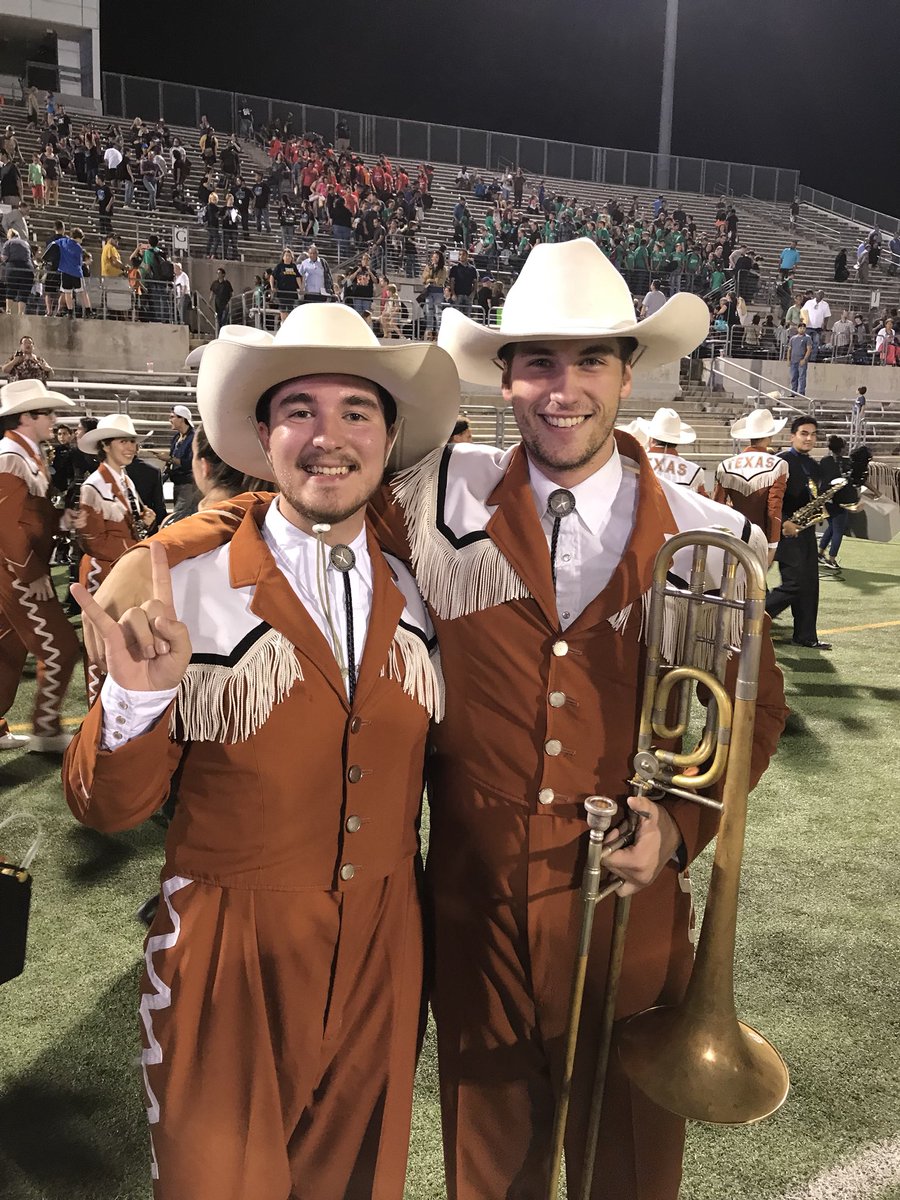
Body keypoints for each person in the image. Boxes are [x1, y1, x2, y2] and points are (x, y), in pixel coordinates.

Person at [89, 240, 787, 1200]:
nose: (563, 388)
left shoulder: (713, 535)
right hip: (465, 902)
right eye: (538, 359)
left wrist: (678, 826)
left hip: (632, 904)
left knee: (626, 1165)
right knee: (486, 1165)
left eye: (590, 361)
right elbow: (305, 504)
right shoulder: (437, 497)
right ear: (505, 377)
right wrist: (169, 552)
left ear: (631, 370)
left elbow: (755, 716)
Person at [63, 301, 459, 1200]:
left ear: (390, 435)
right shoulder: (182, 581)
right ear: (262, 435)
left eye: (356, 411)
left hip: (387, 943)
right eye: (299, 412)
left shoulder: (424, 583)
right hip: (225, 948)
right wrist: (137, 696)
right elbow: (105, 805)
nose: (329, 437)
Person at [0, 379, 82, 753]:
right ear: (26, 417)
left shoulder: (26, 454)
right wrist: (31, 573)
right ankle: (46, 731)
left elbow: (34, 515)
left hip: (14, 569)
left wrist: (63, 519)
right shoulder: (11, 456)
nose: (54, 419)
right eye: (47, 413)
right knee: (61, 648)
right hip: (16, 571)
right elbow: (6, 522)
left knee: (8, 650)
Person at [77, 413, 158, 701]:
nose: (131, 448)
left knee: (124, 642)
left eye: (133, 442)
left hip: (120, 570)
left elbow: (132, 520)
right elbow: (91, 541)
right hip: (102, 574)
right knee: (102, 647)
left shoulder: (124, 480)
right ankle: (98, 710)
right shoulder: (93, 486)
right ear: (106, 445)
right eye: (124, 441)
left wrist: (147, 519)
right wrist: (132, 550)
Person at [765, 416, 831, 650]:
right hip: (785, 530)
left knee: (810, 584)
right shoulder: (780, 461)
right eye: (804, 433)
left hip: (806, 531)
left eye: (813, 434)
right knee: (794, 584)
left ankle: (805, 636)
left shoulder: (814, 465)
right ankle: (753, 616)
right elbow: (770, 498)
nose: (809, 438)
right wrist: (784, 522)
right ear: (792, 436)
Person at [714, 407, 789, 565]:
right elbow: (774, 508)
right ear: (770, 435)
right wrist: (772, 545)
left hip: (731, 536)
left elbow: (717, 505)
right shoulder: (779, 465)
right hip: (759, 538)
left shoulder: (726, 465)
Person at [631, 408, 708, 494]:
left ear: (651, 439)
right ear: (676, 442)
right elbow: (703, 501)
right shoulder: (695, 471)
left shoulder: (633, 464)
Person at [816, 435, 855, 571]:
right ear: (842, 448)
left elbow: (820, 480)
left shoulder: (824, 461)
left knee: (832, 526)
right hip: (840, 499)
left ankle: (820, 553)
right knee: (838, 530)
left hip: (827, 499)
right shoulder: (846, 463)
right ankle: (831, 559)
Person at [788, 322, 812, 395]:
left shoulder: (807, 338)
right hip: (793, 360)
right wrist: (788, 360)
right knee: (793, 377)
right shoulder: (793, 338)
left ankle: (801, 392)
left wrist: (804, 359)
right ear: (798, 329)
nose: (802, 329)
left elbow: (809, 349)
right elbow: (789, 349)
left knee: (802, 377)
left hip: (801, 360)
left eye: (803, 328)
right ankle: (793, 392)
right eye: (800, 328)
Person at [209, 267, 233, 331]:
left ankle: (223, 330)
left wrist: (229, 302)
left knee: (224, 319)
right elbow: (212, 293)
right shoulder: (215, 283)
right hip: (217, 304)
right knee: (219, 319)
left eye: (219, 273)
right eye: (217, 273)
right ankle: (220, 331)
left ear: (223, 274)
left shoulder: (227, 283)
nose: (218, 274)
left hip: (225, 304)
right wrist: (210, 301)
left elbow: (231, 293)